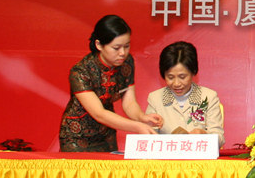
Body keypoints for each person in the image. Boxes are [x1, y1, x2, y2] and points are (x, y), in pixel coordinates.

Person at [59, 15, 162, 152]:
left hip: (106, 134)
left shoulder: (127, 63)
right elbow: (99, 113)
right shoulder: (80, 71)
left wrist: (142, 117)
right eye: (116, 48)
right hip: (77, 137)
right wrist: (137, 126)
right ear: (99, 45)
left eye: (127, 46)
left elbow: (129, 103)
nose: (123, 53)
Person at [147, 41, 225, 147]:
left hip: (199, 156)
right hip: (167, 156)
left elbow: (219, 139)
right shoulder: (155, 98)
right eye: (170, 77)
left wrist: (204, 135)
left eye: (182, 77)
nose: (176, 83)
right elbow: (148, 137)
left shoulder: (208, 97)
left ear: (193, 72)